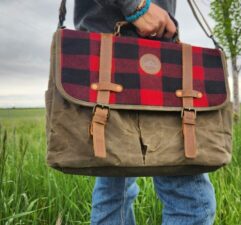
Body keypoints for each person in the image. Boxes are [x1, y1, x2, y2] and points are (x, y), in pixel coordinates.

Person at [74, 1, 216, 224]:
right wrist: (135, 6)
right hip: (137, 43)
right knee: (191, 201)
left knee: (114, 191)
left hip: (104, 52)